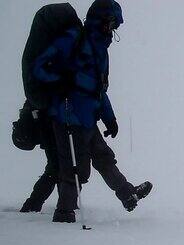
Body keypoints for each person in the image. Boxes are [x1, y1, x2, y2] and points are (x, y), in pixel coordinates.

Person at [32, 0, 152, 223]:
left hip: (88, 117)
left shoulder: (101, 52)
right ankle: (64, 213)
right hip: (66, 114)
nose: (113, 29)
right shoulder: (72, 40)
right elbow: (39, 67)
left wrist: (110, 119)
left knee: (105, 158)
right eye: (112, 23)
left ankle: (127, 195)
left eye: (115, 24)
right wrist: (61, 80)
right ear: (101, 20)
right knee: (75, 169)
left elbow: (99, 89)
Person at [19, 100, 59, 213]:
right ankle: (33, 204)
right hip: (48, 122)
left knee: (57, 166)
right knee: (56, 167)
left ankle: (34, 204)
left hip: (46, 122)